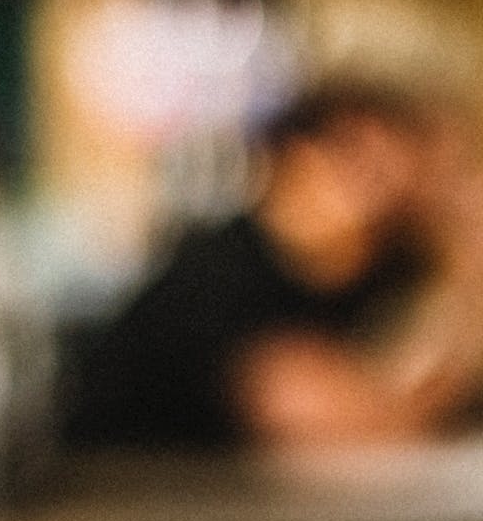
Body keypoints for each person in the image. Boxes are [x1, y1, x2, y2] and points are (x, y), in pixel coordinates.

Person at [65, 79, 483, 449]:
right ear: (294, 159)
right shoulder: (221, 276)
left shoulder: (374, 278)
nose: (381, 190)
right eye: (358, 161)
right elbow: (366, 424)